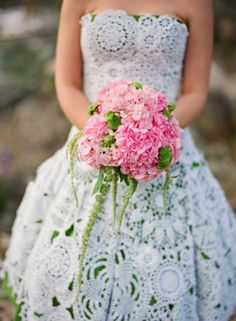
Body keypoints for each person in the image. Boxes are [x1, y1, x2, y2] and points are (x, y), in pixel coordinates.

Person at [1, 0, 236, 320]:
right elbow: (67, 83)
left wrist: (155, 131)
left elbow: (196, 90)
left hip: (165, 150)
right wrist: (104, 135)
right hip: (91, 142)